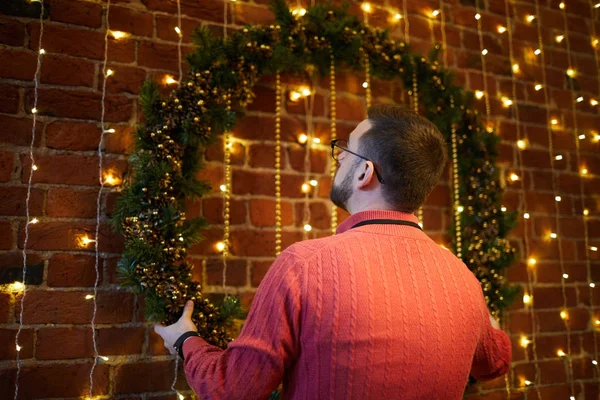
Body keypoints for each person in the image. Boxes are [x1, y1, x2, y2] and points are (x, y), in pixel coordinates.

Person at [154, 104, 512, 399]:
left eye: (347, 148)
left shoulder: (304, 265)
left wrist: (186, 339)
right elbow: (495, 362)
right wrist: (484, 315)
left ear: (364, 173)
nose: (339, 156)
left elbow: (232, 389)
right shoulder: (463, 277)